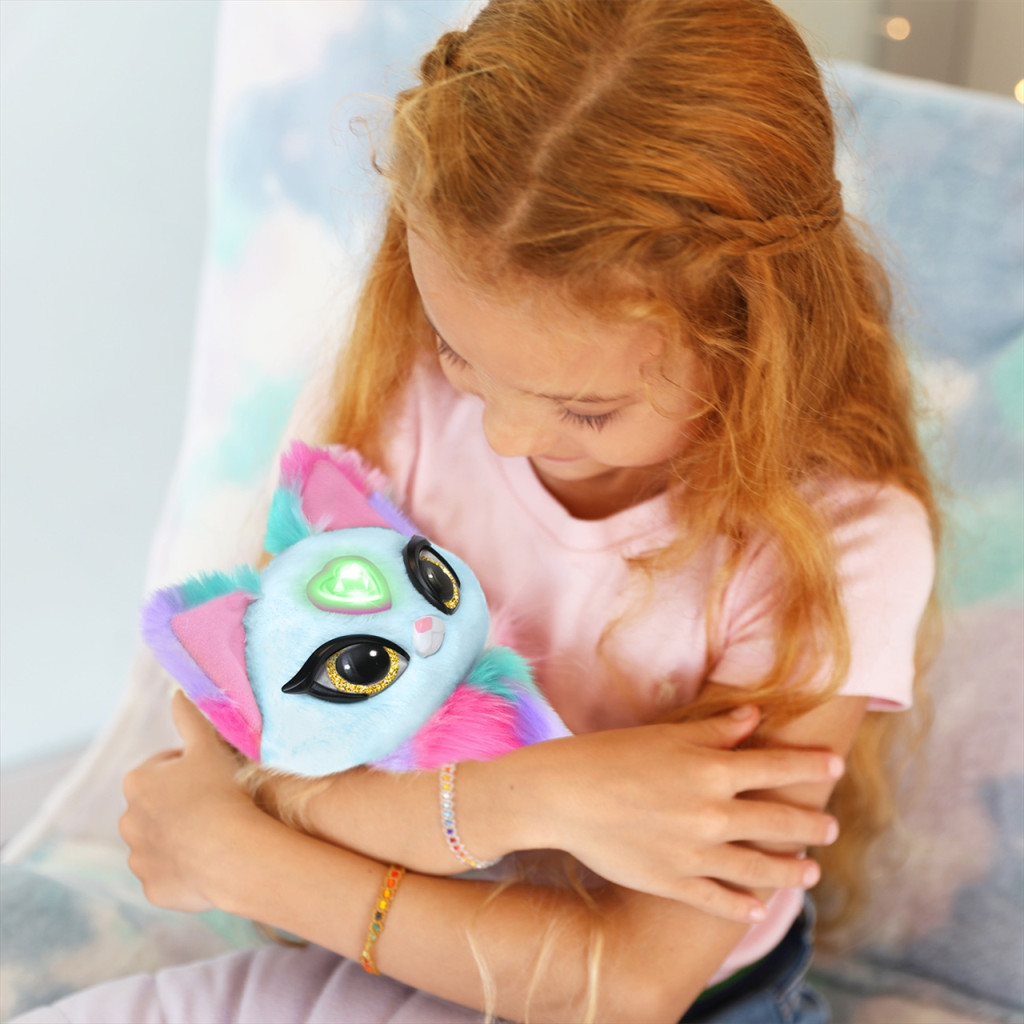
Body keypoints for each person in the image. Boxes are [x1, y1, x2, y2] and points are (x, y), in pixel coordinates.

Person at [13, 0, 937, 1021]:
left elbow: (633, 982)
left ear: (755, 341)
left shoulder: (837, 548)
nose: (501, 433)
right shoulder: (398, 387)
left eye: (586, 408)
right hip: (381, 953)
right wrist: (538, 799)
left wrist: (253, 861)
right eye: (460, 351)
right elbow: (254, 742)